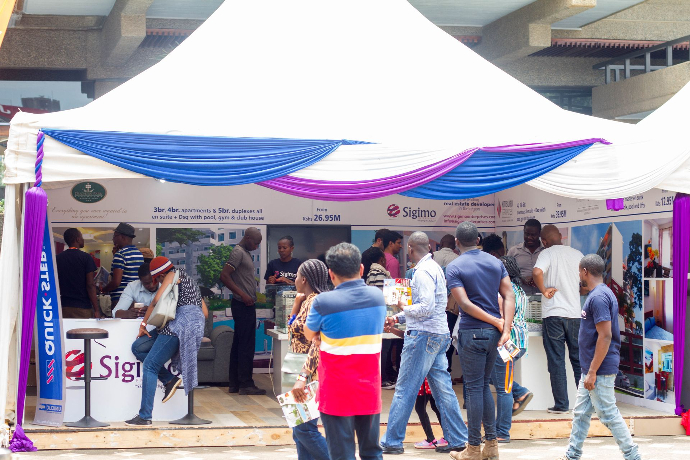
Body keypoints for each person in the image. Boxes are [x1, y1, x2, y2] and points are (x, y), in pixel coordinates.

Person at [381, 232, 468, 455]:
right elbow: (428, 307)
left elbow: (425, 307)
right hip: (437, 335)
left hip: (423, 336)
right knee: (443, 390)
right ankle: (458, 438)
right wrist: (398, 318)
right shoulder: (435, 268)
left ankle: (392, 441)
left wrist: (402, 307)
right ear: (428, 247)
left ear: (410, 248)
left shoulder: (421, 272)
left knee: (404, 389)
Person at [303, 243, 386, 460]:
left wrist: (320, 335)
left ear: (331, 273)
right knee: (372, 453)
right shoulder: (377, 297)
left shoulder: (323, 301)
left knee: (341, 454)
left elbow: (308, 333)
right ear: (361, 269)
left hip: (336, 391)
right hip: (369, 389)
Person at [557, 254, 640, 460]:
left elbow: (605, 336)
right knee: (581, 413)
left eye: (579, 271)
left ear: (585, 271)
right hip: (591, 368)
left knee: (607, 413)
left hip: (599, 369)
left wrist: (593, 371)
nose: (579, 275)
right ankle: (572, 455)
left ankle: (633, 456)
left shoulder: (598, 298)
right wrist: (589, 370)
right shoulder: (601, 293)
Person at [447, 222, 515, 460]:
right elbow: (509, 294)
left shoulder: (454, 266)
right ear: (478, 240)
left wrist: (498, 322)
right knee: (484, 386)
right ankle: (492, 446)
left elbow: (465, 305)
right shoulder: (495, 262)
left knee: (475, 388)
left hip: (472, 332)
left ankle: (474, 448)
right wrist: (504, 327)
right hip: (494, 334)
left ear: (457, 242)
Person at [126, 256, 207, 426]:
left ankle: (144, 416)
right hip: (194, 327)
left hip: (178, 326)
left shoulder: (172, 274)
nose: (158, 283)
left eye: (158, 280)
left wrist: (143, 324)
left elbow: (156, 300)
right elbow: (204, 313)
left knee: (150, 365)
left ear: (161, 275)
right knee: (138, 347)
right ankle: (169, 380)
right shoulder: (190, 282)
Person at [532, 224, 584, 414]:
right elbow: (585, 283)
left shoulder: (547, 254)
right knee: (578, 360)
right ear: (561, 236)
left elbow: (537, 272)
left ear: (544, 241)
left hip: (553, 314)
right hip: (575, 314)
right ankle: (586, 404)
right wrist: (577, 291)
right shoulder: (577, 254)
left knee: (556, 360)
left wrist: (544, 290)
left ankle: (561, 404)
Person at [288, 259, 331, 460]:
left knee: (304, 429)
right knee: (299, 429)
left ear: (304, 279)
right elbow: (291, 326)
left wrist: (303, 376)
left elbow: (317, 342)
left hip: (309, 371)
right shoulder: (309, 301)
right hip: (302, 367)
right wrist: (297, 303)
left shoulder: (315, 302)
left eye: (297, 276)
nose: (295, 280)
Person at [490, 256, 533, 443]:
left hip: (507, 343)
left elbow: (501, 317)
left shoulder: (504, 291)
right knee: (495, 379)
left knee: (503, 388)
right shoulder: (520, 290)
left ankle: (502, 432)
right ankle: (520, 391)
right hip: (520, 342)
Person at [220, 227, 265, 395]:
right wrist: (242, 294)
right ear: (247, 238)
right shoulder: (238, 252)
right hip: (242, 304)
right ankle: (246, 384)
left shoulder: (245, 253)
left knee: (240, 343)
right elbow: (224, 276)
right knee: (246, 345)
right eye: (256, 243)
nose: (256, 246)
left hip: (245, 304)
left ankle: (235, 384)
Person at [361, 247, 397, 390]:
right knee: (384, 348)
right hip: (381, 316)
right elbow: (382, 297)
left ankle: (380, 377)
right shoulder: (380, 274)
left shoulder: (371, 273)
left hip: (373, 316)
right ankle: (382, 379)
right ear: (382, 259)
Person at [56, 228, 101, 319]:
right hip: (82, 307)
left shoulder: (57, 258)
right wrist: (96, 309)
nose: (83, 239)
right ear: (78, 239)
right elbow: (90, 285)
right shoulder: (86, 258)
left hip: (63, 306)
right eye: (82, 237)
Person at [100, 223, 145, 306]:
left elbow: (116, 282)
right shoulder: (139, 254)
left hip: (121, 299)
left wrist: (103, 290)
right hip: (135, 298)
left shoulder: (120, 254)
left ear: (122, 237)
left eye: (115, 236)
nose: (113, 239)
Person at [507, 219, 543, 295]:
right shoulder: (513, 251)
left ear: (539, 234)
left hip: (543, 297)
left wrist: (539, 278)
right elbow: (506, 275)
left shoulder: (547, 251)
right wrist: (521, 279)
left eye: (533, 235)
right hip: (521, 297)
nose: (529, 237)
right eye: (527, 234)